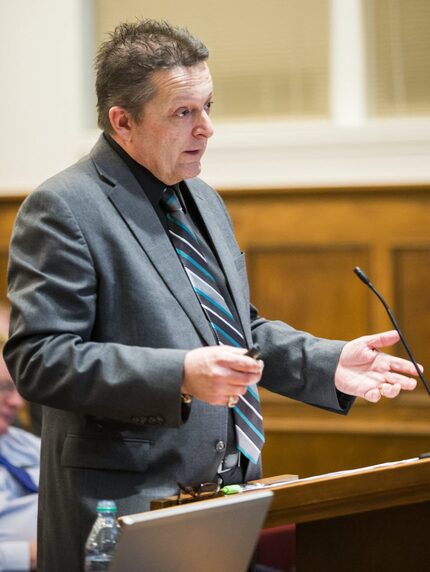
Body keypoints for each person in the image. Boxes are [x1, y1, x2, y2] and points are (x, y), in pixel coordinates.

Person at [2, 19, 420, 572]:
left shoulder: (202, 198)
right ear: (122, 121)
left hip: (223, 498)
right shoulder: (63, 208)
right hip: (124, 510)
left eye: (208, 106)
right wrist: (177, 373)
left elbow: (232, 331)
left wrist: (327, 362)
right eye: (183, 112)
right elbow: (39, 359)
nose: (206, 128)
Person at [0, 309, 40, 572]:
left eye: (17, 389)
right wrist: (35, 554)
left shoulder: (24, 443)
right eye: (4, 388)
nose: (16, 402)